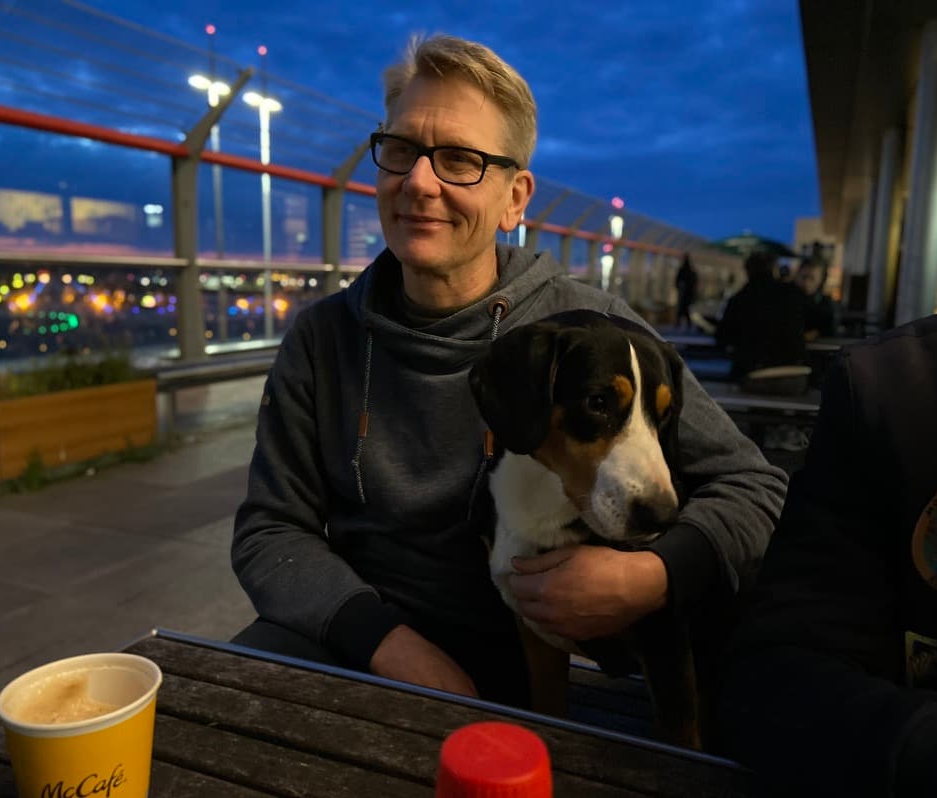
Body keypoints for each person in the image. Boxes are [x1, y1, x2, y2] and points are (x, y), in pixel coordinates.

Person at [230, 33, 787, 713]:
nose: (419, 182)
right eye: (400, 150)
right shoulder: (321, 340)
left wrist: (653, 575)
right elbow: (268, 531)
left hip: (531, 652)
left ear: (516, 198)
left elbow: (757, 488)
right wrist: (386, 641)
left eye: (460, 160)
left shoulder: (592, 327)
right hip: (372, 634)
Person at [713, 311, 937, 797]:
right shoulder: (891, 390)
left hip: (756, 378)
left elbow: (726, 333)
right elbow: (770, 682)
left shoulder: (888, 381)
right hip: (791, 379)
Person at [714, 250, 807, 382]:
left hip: (750, 376)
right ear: (774, 269)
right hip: (792, 376)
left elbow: (721, 338)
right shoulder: (792, 294)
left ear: (747, 271)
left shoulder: (739, 299)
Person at [794, 256, 838, 340]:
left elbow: (830, 331)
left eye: (812, 278)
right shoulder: (787, 298)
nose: (806, 282)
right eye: (803, 277)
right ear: (797, 275)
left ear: (820, 280)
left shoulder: (825, 304)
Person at [674, 253, 698, 330]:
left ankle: (679, 323)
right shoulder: (691, 270)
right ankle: (687, 324)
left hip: (683, 293)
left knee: (681, 309)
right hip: (688, 294)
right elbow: (695, 282)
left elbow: (677, 281)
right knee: (686, 309)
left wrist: (679, 287)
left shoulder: (682, 270)